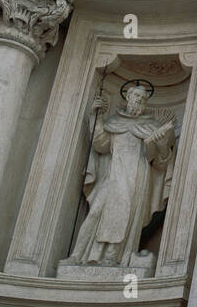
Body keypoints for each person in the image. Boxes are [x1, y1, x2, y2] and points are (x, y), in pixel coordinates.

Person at [66, 80, 175, 268]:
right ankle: (79, 256)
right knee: (96, 213)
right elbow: (100, 144)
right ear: (128, 97)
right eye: (136, 96)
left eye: (143, 98)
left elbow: (160, 162)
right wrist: (97, 116)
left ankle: (112, 257)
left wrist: (160, 143)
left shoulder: (152, 126)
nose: (139, 100)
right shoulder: (114, 122)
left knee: (127, 216)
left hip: (137, 178)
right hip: (113, 175)